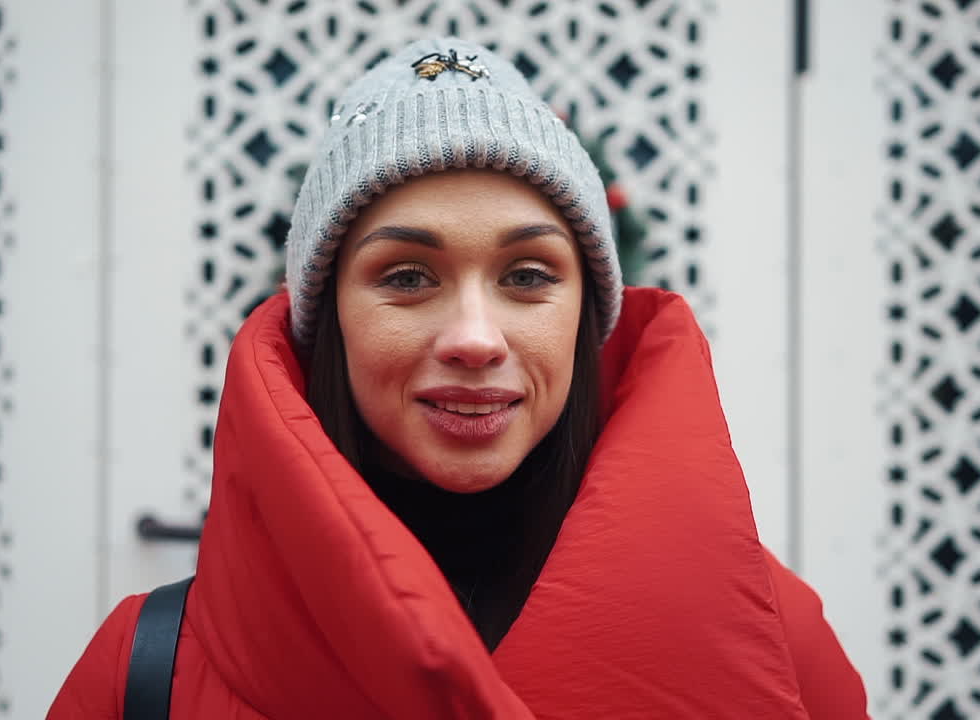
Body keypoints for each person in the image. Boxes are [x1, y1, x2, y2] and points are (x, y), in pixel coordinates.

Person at [49, 37, 868, 719]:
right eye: (407, 277)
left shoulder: (775, 642)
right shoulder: (144, 670)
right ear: (330, 321)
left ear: (586, 319)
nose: (474, 339)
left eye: (528, 276)